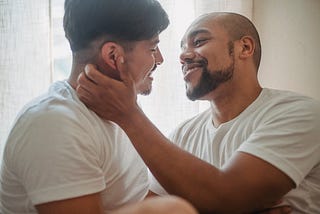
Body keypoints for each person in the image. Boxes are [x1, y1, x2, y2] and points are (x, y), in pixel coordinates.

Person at [76, 12, 320, 213]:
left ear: (245, 47)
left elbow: (229, 198)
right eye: (182, 48)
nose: (183, 56)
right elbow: (155, 209)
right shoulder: (183, 135)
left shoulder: (300, 113)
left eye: (199, 41)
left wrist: (128, 114)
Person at [0, 0, 198, 213]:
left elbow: (134, 198)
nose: (160, 59)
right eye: (152, 48)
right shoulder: (53, 125)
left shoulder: (117, 113)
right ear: (113, 56)